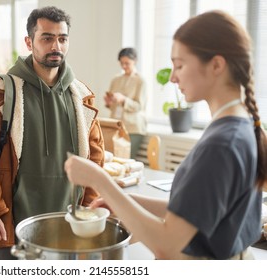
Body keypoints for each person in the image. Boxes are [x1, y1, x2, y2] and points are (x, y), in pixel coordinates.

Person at [64, 10, 267, 260]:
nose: (172, 77)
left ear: (216, 65)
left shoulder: (222, 143)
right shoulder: (240, 126)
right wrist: (123, 201)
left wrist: (100, 181)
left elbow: (168, 245)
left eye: (179, 65)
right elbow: (193, 213)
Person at [0, 6, 105, 260]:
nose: (56, 46)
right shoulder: (1, 92)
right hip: (14, 226)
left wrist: (89, 209)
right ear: (29, 42)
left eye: (62, 38)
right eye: (47, 38)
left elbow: (95, 160)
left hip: (68, 227)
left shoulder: (81, 96)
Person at [104, 47, 146, 159]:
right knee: (113, 159)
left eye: (127, 63)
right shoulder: (116, 79)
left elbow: (139, 106)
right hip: (116, 125)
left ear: (135, 61)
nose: (124, 66)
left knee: (127, 160)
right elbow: (113, 106)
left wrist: (124, 100)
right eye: (122, 63)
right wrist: (109, 102)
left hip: (133, 128)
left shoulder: (140, 81)